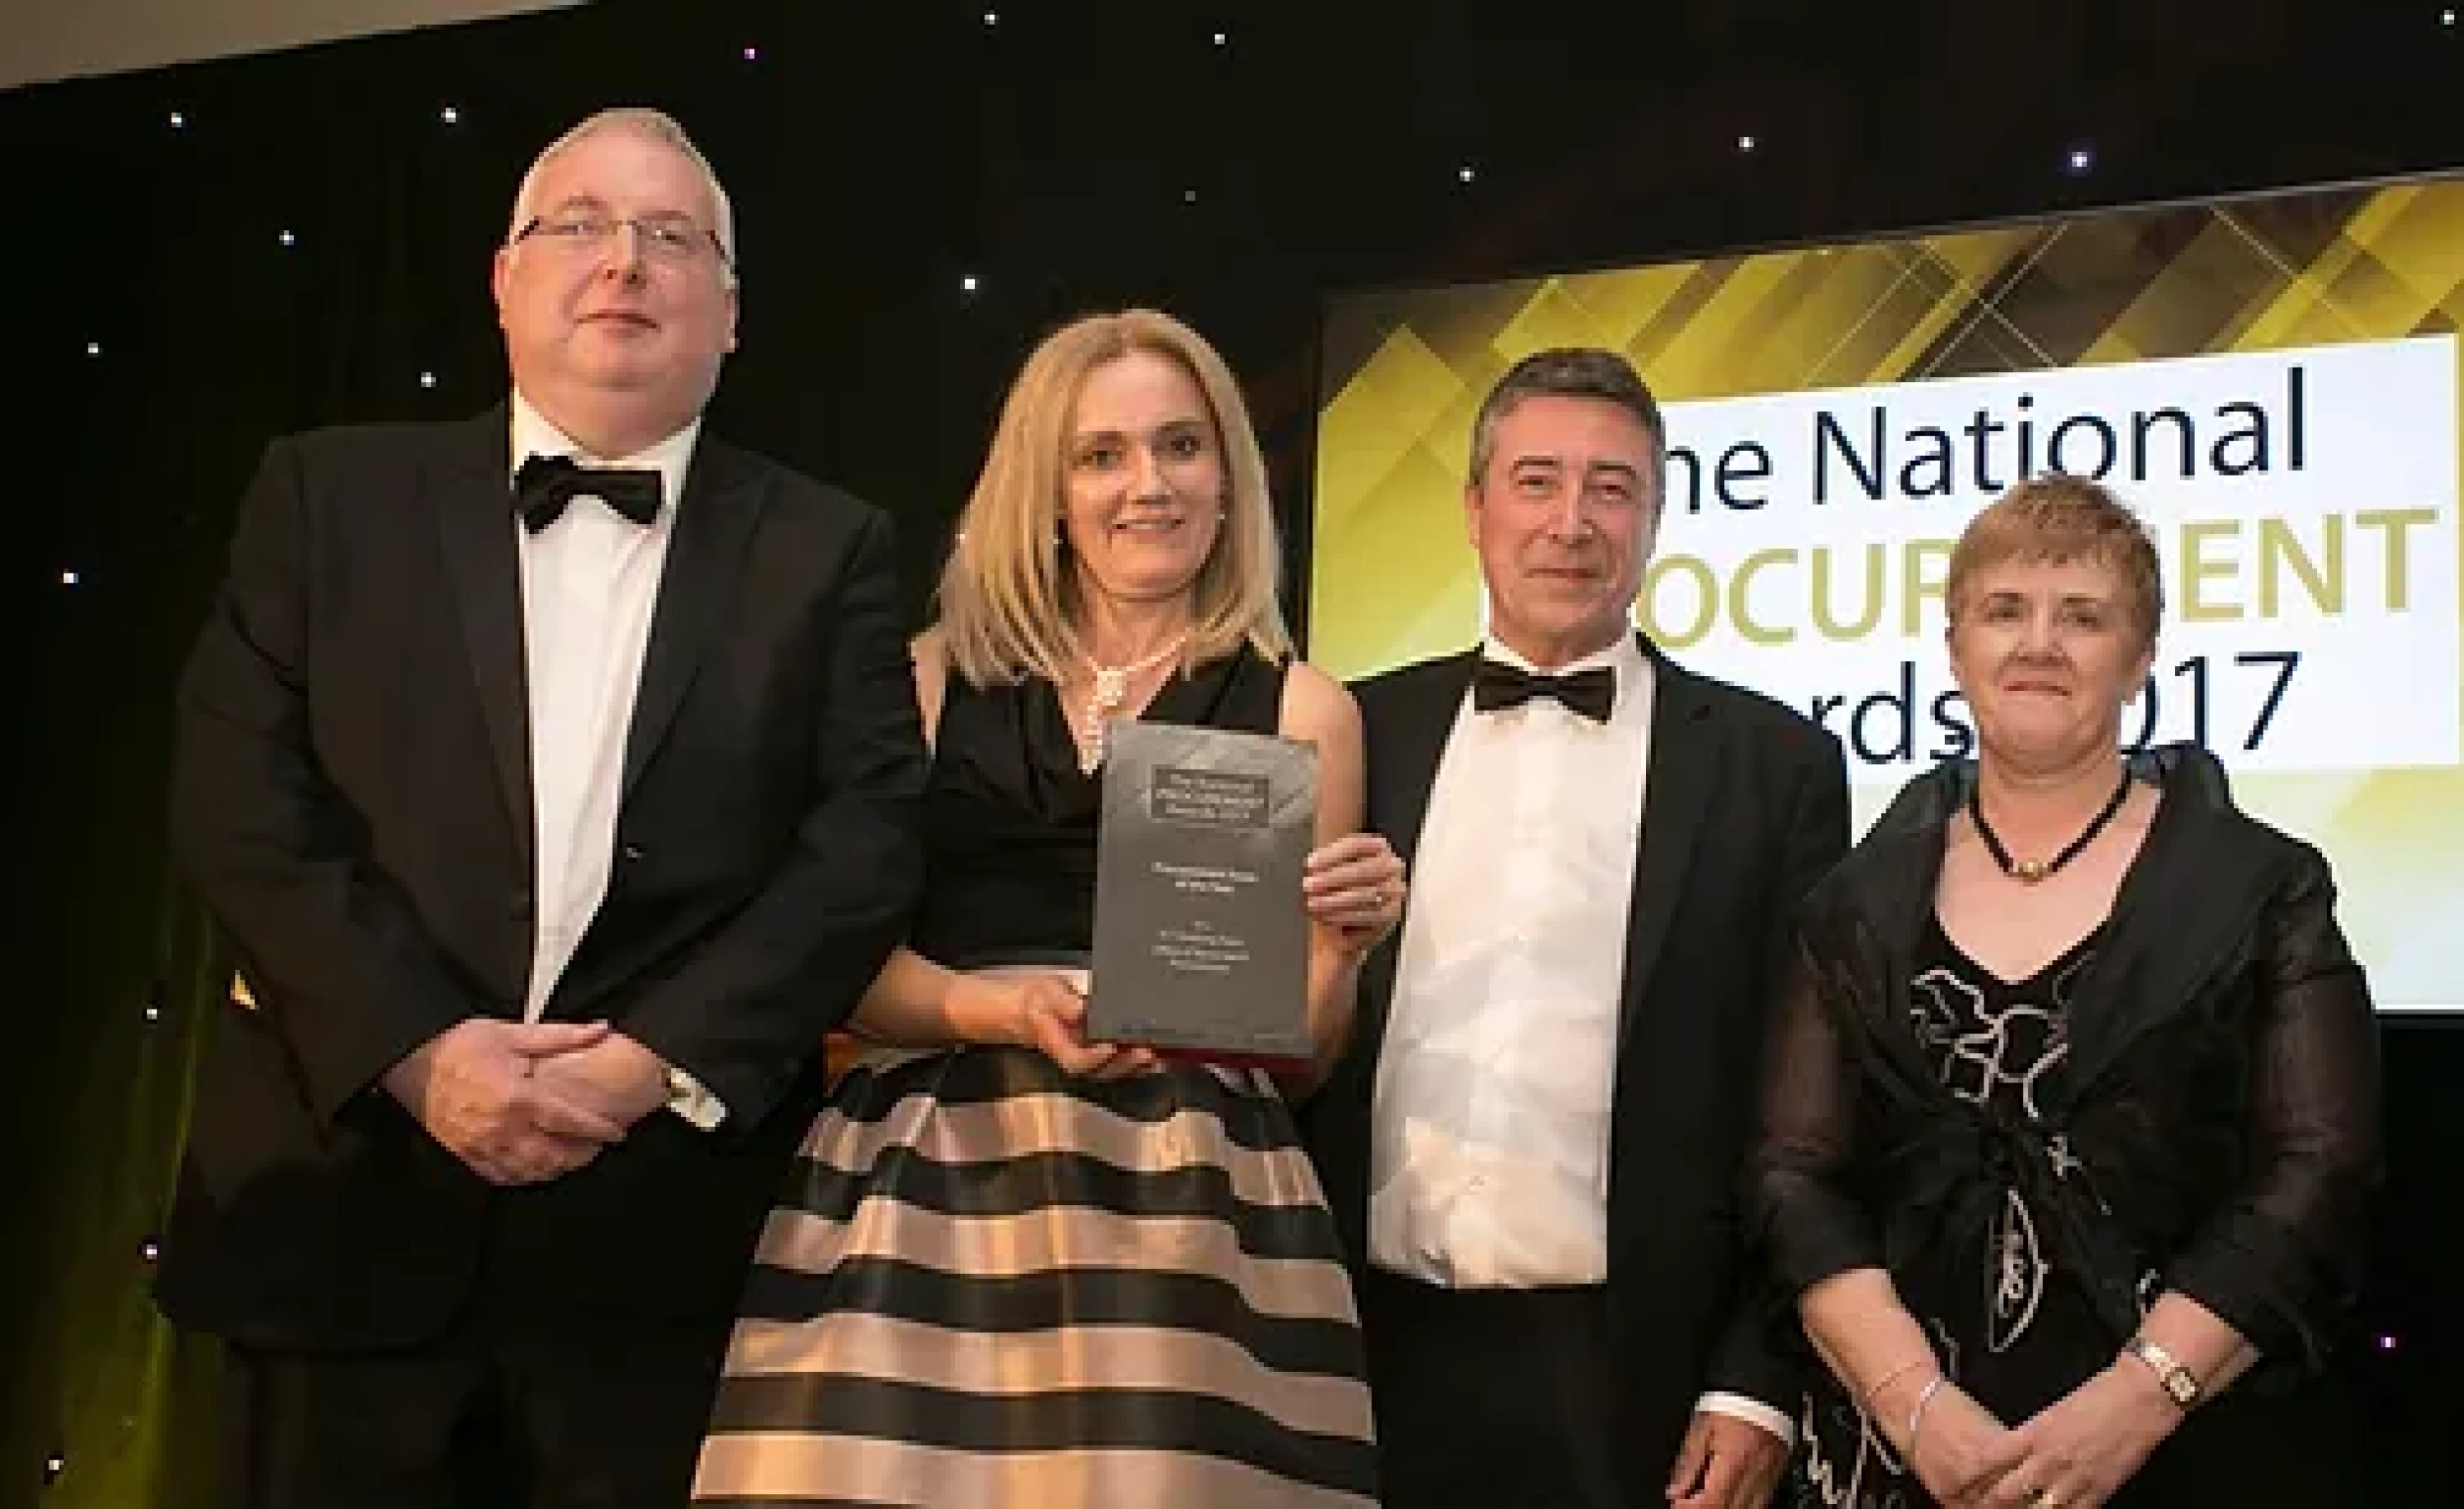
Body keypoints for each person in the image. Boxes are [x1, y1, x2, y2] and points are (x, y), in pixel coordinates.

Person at [157, 108, 927, 1508]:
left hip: (662, 1256)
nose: (623, 260)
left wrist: (649, 1065)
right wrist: (416, 1050)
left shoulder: (835, 547)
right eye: (578, 224)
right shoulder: (325, 494)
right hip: (341, 1218)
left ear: (733, 313)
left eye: (672, 236)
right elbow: (238, 794)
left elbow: (864, 844)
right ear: (503, 279)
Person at [690, 308, 1404, 1507]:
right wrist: (1001, 1010)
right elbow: (835, 961)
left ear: (1229, 476)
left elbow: (1300, 1061)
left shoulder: (1306, 708)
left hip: (1193, 1197)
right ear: (1048, 490)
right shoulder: (925, 679)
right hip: (928, 1179)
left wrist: (1338, 951)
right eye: (1101, 454)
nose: (1149, 485)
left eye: (1181, 446)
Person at [1745, 475, 2381, 1508]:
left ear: (2141, 657)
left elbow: (2321, 1167)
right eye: (2006, 610)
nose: (2039, 644)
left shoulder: (2263, 885)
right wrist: (1917, 1410)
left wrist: (2139, 1400)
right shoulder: (1850, 904)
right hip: (1900, 1464)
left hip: (2191, 1451)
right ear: (1955, 647)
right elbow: (1792, 1177)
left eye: (2084, 617)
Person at [1303, 347, 1850, 1508]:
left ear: (1655, 520)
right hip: (1359, 1345)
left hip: (1640, 1368)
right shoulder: (1354, 729)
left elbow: (1807, 1105)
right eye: (1537, 481)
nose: (1571, 522)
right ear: (1474, 510)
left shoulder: (1775, 766)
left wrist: (1757, 1376)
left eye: (1612, 487)